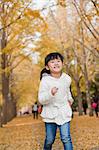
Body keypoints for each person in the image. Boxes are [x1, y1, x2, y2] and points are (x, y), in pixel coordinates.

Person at [38, 52, 74, 150]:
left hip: (63, 111)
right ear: (47, 67)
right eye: (52, 62)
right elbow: (41, 99)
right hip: (50, 113)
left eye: (58, 61)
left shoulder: (67, 78)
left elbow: (67, 91)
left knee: (66, 138)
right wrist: (50, 93)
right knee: (50, 139)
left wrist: (70, 100)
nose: (56, 63)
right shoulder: (45, 81)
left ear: (62, 64)